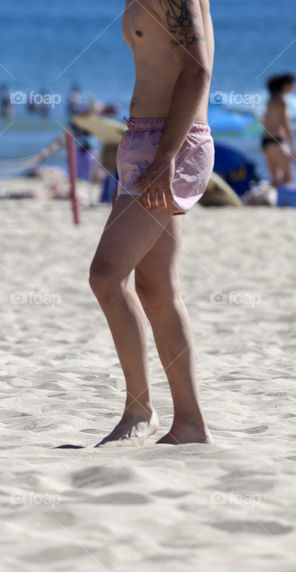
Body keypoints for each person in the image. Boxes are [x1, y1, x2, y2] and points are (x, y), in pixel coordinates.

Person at [89, 0, 215, 446]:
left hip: (169, 144)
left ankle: (139, 410)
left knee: (106, 277)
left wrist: (165, 157)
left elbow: (197, 70)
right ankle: (190, 424)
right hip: (142, 139)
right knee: (157, 290)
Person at [262, 73, 295, 187]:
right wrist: (293, 146)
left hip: (266, 143)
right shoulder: (281, 101)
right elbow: (285, 124)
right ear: (286, 85)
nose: (293, 88)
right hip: (276, 142)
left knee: (275, 180)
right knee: (288, 178)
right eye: (292, 85)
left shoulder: (270, 100)